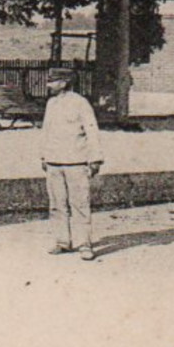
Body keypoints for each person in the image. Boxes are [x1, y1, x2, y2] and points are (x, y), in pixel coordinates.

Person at [40, 67, 104, 260]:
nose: (48, 85)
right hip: (54, 161)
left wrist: (95, 158)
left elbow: (92, 130)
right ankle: (62, 241)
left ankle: (84, 244)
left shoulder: (80, 103)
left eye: (52, 81)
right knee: (57, 204)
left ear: (64, 82)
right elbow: (46, 131)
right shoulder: (51, 103)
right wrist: (43, 156)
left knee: (80, 204)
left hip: (76, 161)